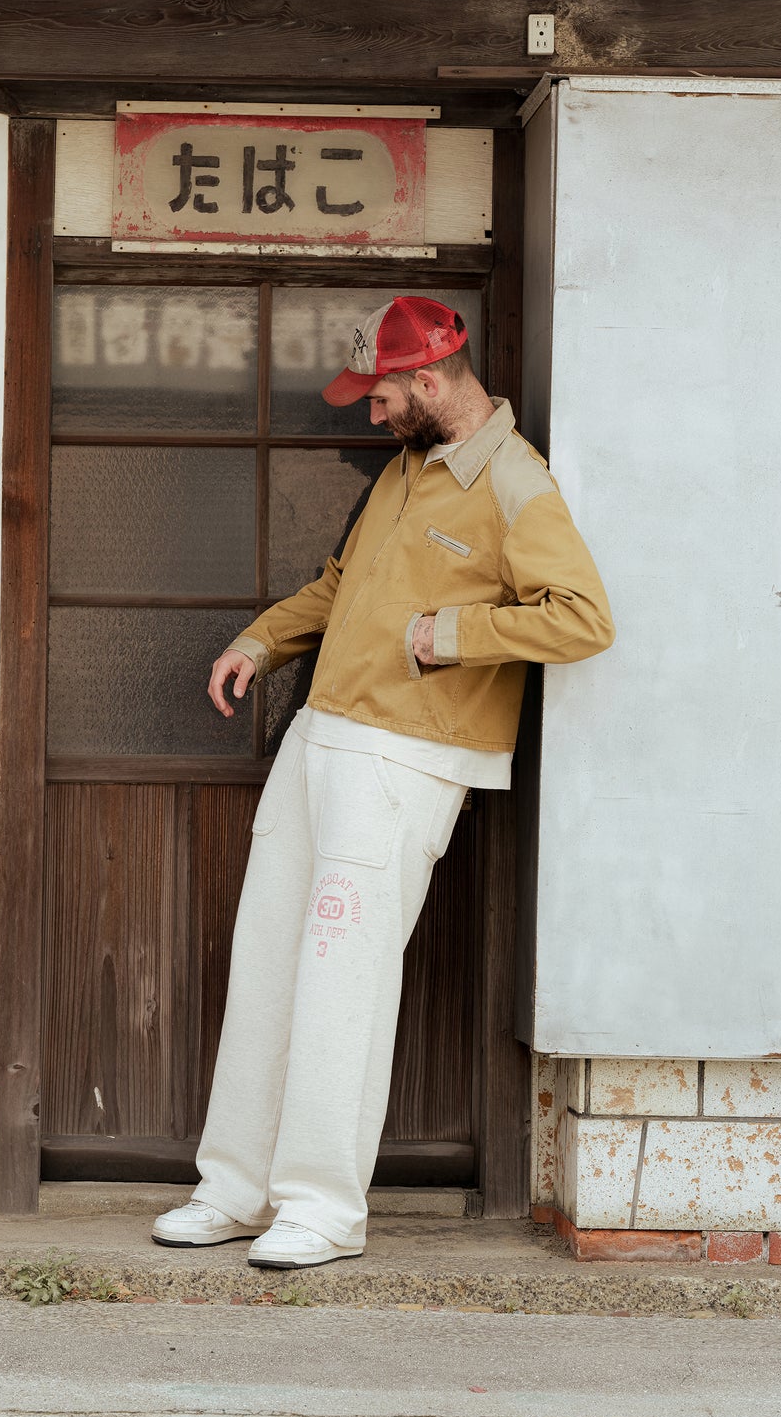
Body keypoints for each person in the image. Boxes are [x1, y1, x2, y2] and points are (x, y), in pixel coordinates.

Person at [150, 295, 613, 1269]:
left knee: (340, 980)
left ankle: (320, 1209)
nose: (369, 414)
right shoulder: (407, 471)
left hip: (406, 754)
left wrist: (451, 635)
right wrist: (261, 639)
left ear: (431, 381)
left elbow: (578, 617)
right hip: (321, 735)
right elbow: (336, 587)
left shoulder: (513, 482)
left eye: (381, 395)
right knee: (268, 958)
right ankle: (233, 1188)